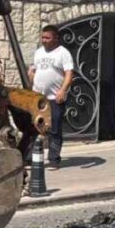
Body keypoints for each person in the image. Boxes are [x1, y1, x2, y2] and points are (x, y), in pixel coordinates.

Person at [29, 24, 74, 168]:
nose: (44, 40)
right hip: (38, 98)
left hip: (55, 98)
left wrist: (62, 91)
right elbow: (34, 71)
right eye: (42, 37)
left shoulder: (63, 53)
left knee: (54, 129)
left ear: (56, 38)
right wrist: (31, 76)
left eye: (47, 38)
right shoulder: (39, 52)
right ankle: (32, 158)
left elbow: (69, 74)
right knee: (35, 128)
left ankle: (54, 160)